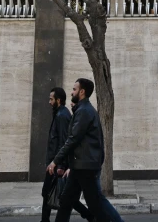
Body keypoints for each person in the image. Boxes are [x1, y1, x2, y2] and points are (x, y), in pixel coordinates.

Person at [48, 79, 108, 222]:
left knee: (94, 203)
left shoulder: (84, 111)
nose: (71, 92)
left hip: (85, 166)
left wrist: (55, 161)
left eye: (74, 89)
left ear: (82, 92)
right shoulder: (83, 110)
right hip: (80, 165)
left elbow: (73, 139)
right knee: (66, 200)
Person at [43, 87, 92, 222]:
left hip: (57, 163)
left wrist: (61, 165)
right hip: (54, 162)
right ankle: (89, 215)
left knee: (60, 195)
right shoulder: (59, 113)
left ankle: (89, 215)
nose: (49, 102)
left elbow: (65, 141)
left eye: (51, 99)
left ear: (58, 100)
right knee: (57, 194)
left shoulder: (63, 116)